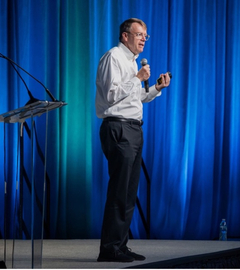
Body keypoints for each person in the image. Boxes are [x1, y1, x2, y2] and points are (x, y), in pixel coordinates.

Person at [95, 18, 171, 263]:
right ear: (125, 36)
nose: (143, 40)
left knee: (129, 192)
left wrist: (156, 88)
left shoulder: (132, 62)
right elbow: (111, 95)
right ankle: (109, 249)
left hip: (134, 129)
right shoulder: (113, 57)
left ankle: (120, 244)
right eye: (139, 35)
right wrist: (137, 77)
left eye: (145, 36)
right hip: (118, 128)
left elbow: (134, 98)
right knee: (119, 190)